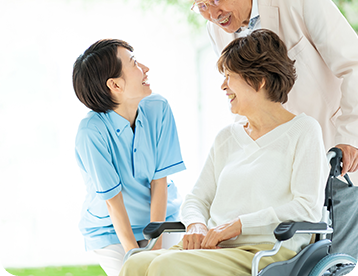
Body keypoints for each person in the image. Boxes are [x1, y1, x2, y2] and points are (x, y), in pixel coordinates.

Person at [119, 29, 329, 276]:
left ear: (258, 80)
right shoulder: (227, 137)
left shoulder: (303, 131)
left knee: (166, 266)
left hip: (267, 251)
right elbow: (198, 199)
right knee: (135, 263)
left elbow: (306, 207)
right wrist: (196, 224)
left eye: (229, 76)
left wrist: (238, 225)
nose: (223, 86)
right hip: (215, 248)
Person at [185, 0, 358, 179]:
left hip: (335, 144)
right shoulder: (216, 30)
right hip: (280, 162)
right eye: (202, 5)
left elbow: (353, 64)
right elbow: (243, 97)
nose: (213, 14)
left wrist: (349, 136)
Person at [72, 39, 186, 276]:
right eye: (134, 63)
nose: (145, 68)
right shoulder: (91, 132)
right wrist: (136, 258)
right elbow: (114, 205)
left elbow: (159, 182)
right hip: (110, 231)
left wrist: (154, 248)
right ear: (115, 85)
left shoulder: (158, 108)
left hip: (162, 219)